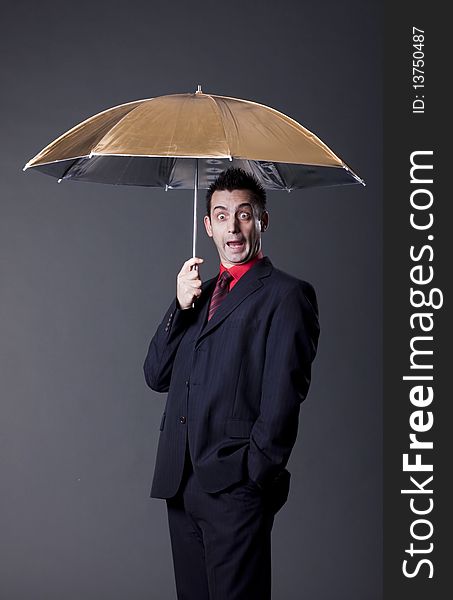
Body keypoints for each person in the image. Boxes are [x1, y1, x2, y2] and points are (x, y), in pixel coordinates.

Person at [143, 167, 320, 600]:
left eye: (244, 214)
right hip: (181, 487)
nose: (233, 227)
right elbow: (156, 375)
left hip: (236, 487)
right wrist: (180, 305)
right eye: (221, 216)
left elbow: (283, 398)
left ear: (263, 220)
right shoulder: (196, 295)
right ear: (207, 226)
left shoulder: (286, 295)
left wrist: (253, 478)